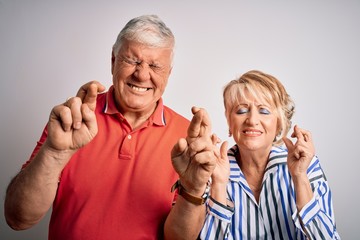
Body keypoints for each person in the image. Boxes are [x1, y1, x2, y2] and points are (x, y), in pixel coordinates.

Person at [4, 14, 212, 240]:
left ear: (168, 74)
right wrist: (55, 153)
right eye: (132, 60)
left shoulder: (187, 139)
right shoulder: (74, 121)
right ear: (113, 61)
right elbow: (18, 219)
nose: (142, 75)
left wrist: (193, 189)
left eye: (154, 66)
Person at [165, 70, 341, 239]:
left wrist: (299, 177)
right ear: (229, 122)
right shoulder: (209, 171)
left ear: (280, 122)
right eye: (241, 111)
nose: (252, 120)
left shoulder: (306, 166)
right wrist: (219, 184)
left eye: (264, 111)